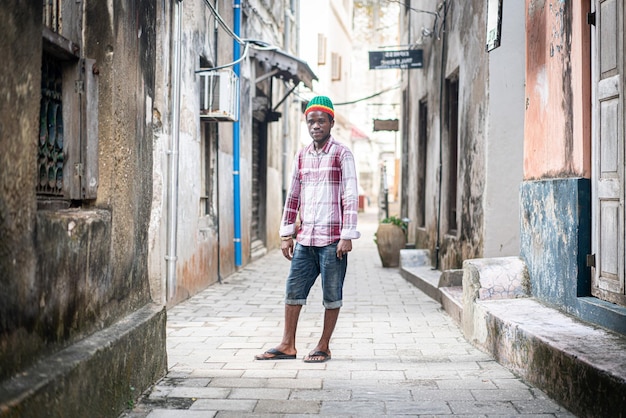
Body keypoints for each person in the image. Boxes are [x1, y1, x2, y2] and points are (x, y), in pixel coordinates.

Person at [255, 96, 360, 363]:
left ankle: (323, 345)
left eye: (321, 120)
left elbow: (349, 195)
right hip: (305, 239)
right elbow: (293, 195)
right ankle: (287, 345)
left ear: (331, 123)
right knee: (293, 290)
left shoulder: (341, 153)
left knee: (331, 294)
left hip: (332, 240)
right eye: (311, 121)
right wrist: (286, 233)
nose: (316, 126)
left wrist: (347, 235)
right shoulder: (301, 155)